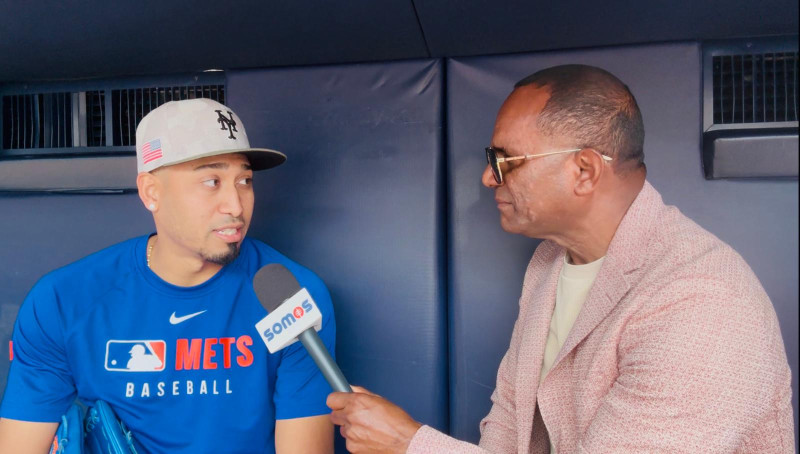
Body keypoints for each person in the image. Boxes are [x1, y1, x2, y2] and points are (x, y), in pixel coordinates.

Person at [327, 64, 795, 453]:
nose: (488, 178)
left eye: (505, 161)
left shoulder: (701, 301)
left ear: (584, 170)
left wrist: (408, 443)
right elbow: (508, 430)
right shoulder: (549, 263)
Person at [0, 98, 336, 454]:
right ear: (151, 192)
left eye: (245, 180)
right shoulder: (62, 301)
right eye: (212, 181)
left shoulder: (293, 296)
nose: (236, 205)